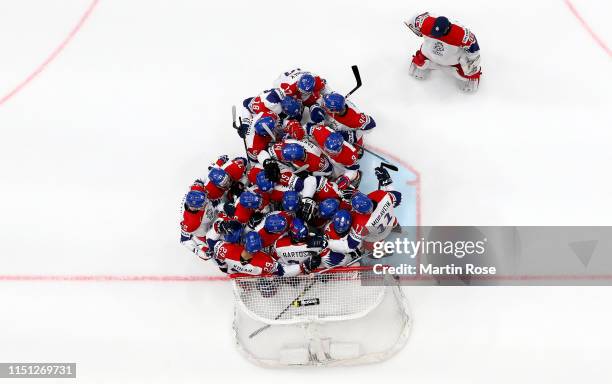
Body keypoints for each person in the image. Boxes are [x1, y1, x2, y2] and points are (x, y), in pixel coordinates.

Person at [405, 12, 481, 92]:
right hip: (429, 54)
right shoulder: (425, 23)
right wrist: (417, 32)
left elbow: (474, 50)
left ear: (447, 29)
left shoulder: (461, 34)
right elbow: (413, 20)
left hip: (453, 61)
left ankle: (472, 77)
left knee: (465, 75)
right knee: (421, 61)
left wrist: (471, 66)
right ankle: (423, 61)